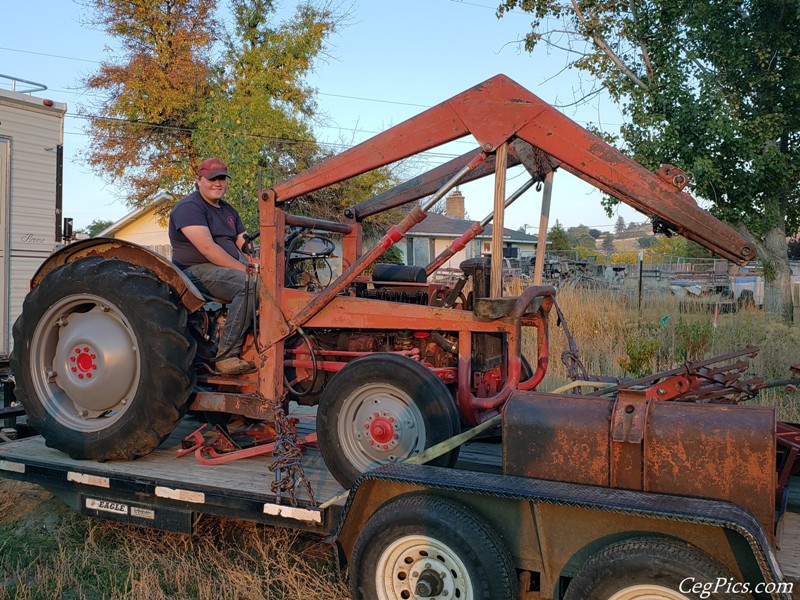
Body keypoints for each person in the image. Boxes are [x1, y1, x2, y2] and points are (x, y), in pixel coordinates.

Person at [168, 157, 257, 374]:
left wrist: (259, 259)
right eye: (212, 179)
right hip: (194, 271)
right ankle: (226, 355)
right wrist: (246, 269)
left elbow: (244, 243)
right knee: (250, 285)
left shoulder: (228, 210)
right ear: (198, 180)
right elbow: (208, 249)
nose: (218, 183)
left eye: (222, 179)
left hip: (221, 269)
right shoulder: (189, 207)